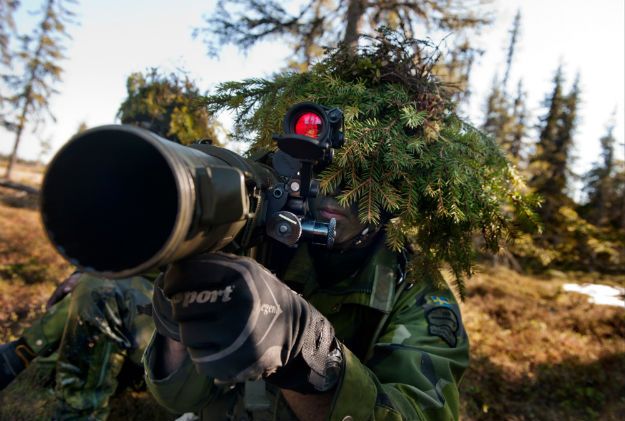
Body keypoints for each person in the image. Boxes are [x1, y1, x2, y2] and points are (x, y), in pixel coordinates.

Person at [143, 190, 469, 420]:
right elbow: (180, 396)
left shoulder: (414, 287)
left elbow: (421, 412)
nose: (336, 187)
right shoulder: (264, 241)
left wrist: (303, 356)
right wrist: (181, 307)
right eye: (328, 167)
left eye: (357, 173)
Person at [0, 271, 154, 420]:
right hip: (140, 318)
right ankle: (20, 354)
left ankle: (18, 355)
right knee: (91, 285)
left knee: (99, 290)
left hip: (167, 338)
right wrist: (83, 272)